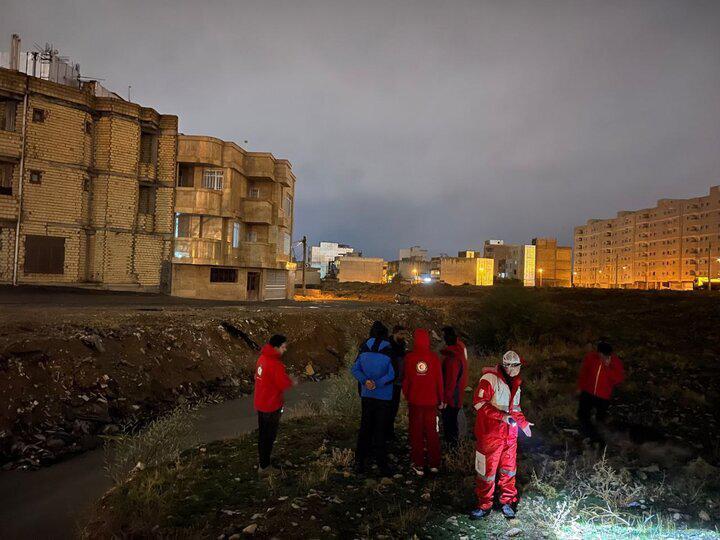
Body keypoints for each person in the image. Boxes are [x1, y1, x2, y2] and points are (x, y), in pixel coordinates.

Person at [470, 350, 533, 520]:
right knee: (486, 472)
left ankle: (507, 502)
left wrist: (524, 424)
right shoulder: (489, 379)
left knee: (509, 470)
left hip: (509, 435)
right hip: (490, 434)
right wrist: (502, 416)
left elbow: (515, 409)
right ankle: (484, 505)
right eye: (517, 366)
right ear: (509, 367)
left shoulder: (515, 383)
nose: (519, 369)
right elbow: (479, 403)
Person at [351, 321, 395, 475]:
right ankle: (382, 464)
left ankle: (360, 461)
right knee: (380, 429)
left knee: (365, 427)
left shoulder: (364, 348)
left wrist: (366, 381)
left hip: (367, 395)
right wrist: (378, 383)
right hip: (383, 396)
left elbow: (354, 369)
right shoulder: (389, 349)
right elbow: (392, 374)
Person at [403, 328, 444, 476]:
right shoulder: (434, 358)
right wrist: (441, 399)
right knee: (432, 432)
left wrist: (407, 396)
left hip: (415, 402)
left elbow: (406, 380)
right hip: (431, 402)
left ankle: (419, 464)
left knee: (416, 433)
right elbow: (439, 380)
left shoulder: (409, 358)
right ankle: (434, 464)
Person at [253, 334, 295, 476]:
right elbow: (283, 383)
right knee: (269, 436)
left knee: (263, 434)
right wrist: (292, 381)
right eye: (283, 347)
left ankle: (263, 462)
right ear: (276, 347)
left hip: (261, 402)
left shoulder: (262, 358)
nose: (285, 350)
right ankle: (265, 467)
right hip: (271, 405)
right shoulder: (274, 363)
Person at [577, 340, 625, 445]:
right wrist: (581, 387)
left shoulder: (615, 362)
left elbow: (618, 380)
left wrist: (608, 367)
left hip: (603, 396)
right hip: (588, 392)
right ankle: (588, 434)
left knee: (600, 419)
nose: (603, 357)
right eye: (602, 354)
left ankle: (601, 440)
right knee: (583, 415)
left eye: (606, 355)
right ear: (598, 352)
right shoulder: (591, 358)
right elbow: (584, 373)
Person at [440, 326, 468, 446]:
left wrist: (445, 399)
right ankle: (455, 446)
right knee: (454, 423)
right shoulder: (459, 349)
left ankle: (453, 450)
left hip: (452, 398)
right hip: (457, 393)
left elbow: (450, 381)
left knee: (450, 425)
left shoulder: (452, 358)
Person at [387, 325, 409, 443]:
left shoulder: (402, 345)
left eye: (404, 334)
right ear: (395, 333)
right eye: (401, 334)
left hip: (398, 382)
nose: (403, 336)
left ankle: (389, 432)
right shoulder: (388, 346)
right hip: (389, 382)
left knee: (394, 408)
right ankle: (386, 432)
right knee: (388, 408)